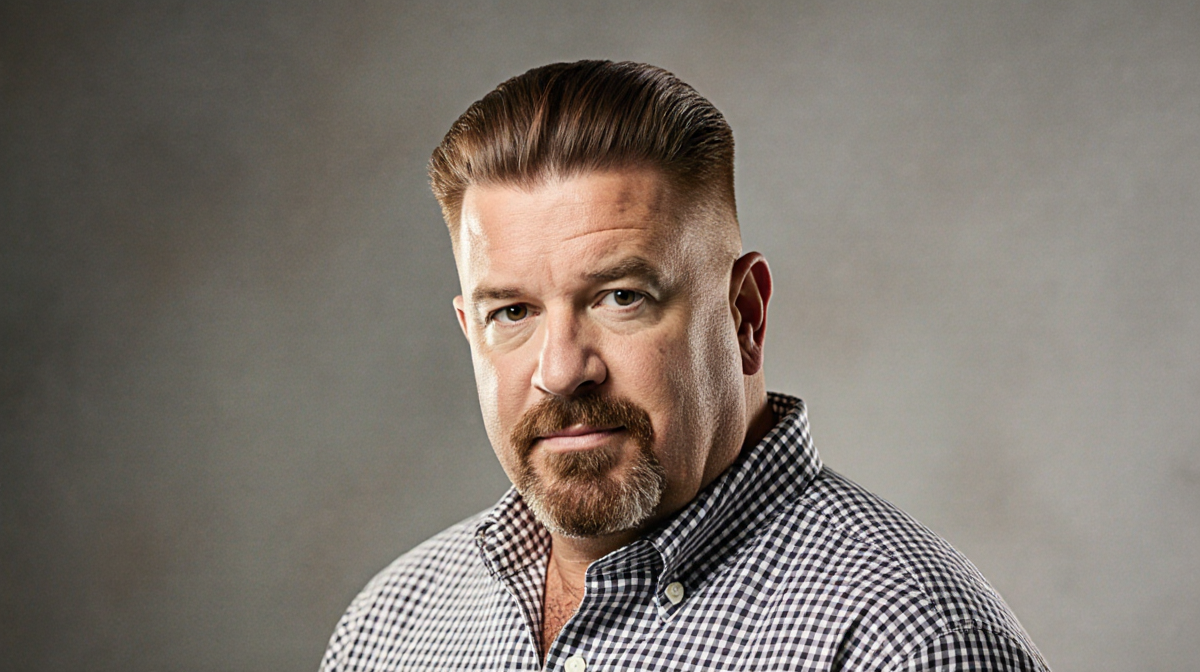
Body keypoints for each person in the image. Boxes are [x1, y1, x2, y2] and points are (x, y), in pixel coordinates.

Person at [320, 60, 1050, 671]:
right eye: (512, 312)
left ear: (745, 315)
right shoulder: (388, 629)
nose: (562, 370)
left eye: (621, 297)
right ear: (469, 331)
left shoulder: (910, 644)